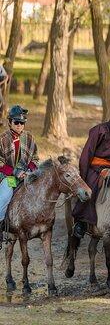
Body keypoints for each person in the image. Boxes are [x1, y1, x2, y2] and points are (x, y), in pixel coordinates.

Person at [72, 102, 110, 238]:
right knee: (91, 189)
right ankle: (81, 222)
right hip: (95, 168)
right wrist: (84, 175)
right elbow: (87, 153)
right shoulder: (99, 130)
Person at [0, 105, 39, 246]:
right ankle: (0, 226)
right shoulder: (3, 138)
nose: (19, 125)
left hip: (27, 175)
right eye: (16, 122)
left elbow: (35, 158)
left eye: (22, 123)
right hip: (7, 176)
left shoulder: (30, 138)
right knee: (5, 195)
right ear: (9, 122)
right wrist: (16, 172)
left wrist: (29, 170)